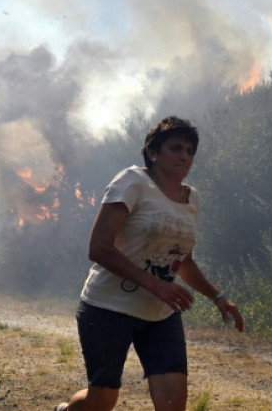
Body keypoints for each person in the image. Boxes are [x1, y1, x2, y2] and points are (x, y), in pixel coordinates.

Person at [54, 116, 244, 411]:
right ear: (153, 152)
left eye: (190, 151)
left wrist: (217, 296)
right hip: (108, 308)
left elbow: (182, 260)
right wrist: (156, 285)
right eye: (176, 148)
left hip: (160, 314)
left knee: (172, 404)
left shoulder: (192, 199)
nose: (184, 156)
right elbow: (99, 248)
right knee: (102, 401)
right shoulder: (133, 182)